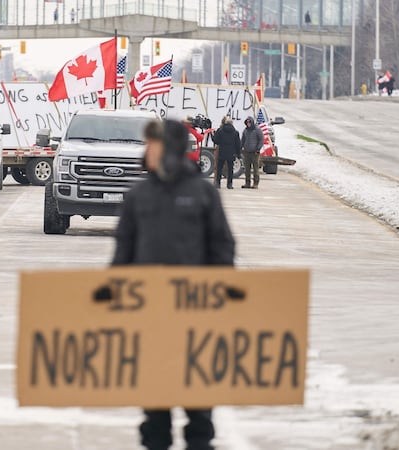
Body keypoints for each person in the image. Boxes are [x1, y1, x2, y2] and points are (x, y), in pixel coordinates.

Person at [113, 119, 235, 450]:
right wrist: (113, 298)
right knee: (155, 400)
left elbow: (222, 247)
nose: (146, 151)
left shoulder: (202, 193)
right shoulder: (138, 195)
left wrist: (220, 294)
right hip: (150, 314)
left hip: (195, 313)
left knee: (197, 399)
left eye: (153, 144)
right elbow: (123, 252)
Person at [211, 116, 241, 189]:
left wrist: (212, 135)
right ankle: (229, 184)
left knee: (219, 168)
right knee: (230, 169)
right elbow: (238, 144)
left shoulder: (220, 130)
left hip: (222, 151)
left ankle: (218, 183)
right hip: (231, 152)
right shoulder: (235, 132)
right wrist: (238, 153)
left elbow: (216, 141)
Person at [240, 116, 264, 189]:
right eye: (247, 122)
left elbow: (261, 140)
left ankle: (255, 183)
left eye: (249, 122)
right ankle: (247, 183)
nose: (248, 124)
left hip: (255, 153)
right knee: (247, 169)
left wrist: (258, 149)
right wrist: (240, 148)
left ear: (252, 122)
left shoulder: (257, 130)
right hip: (246, 152)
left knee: (255, 169)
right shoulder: (245, 130)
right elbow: (242, 140)